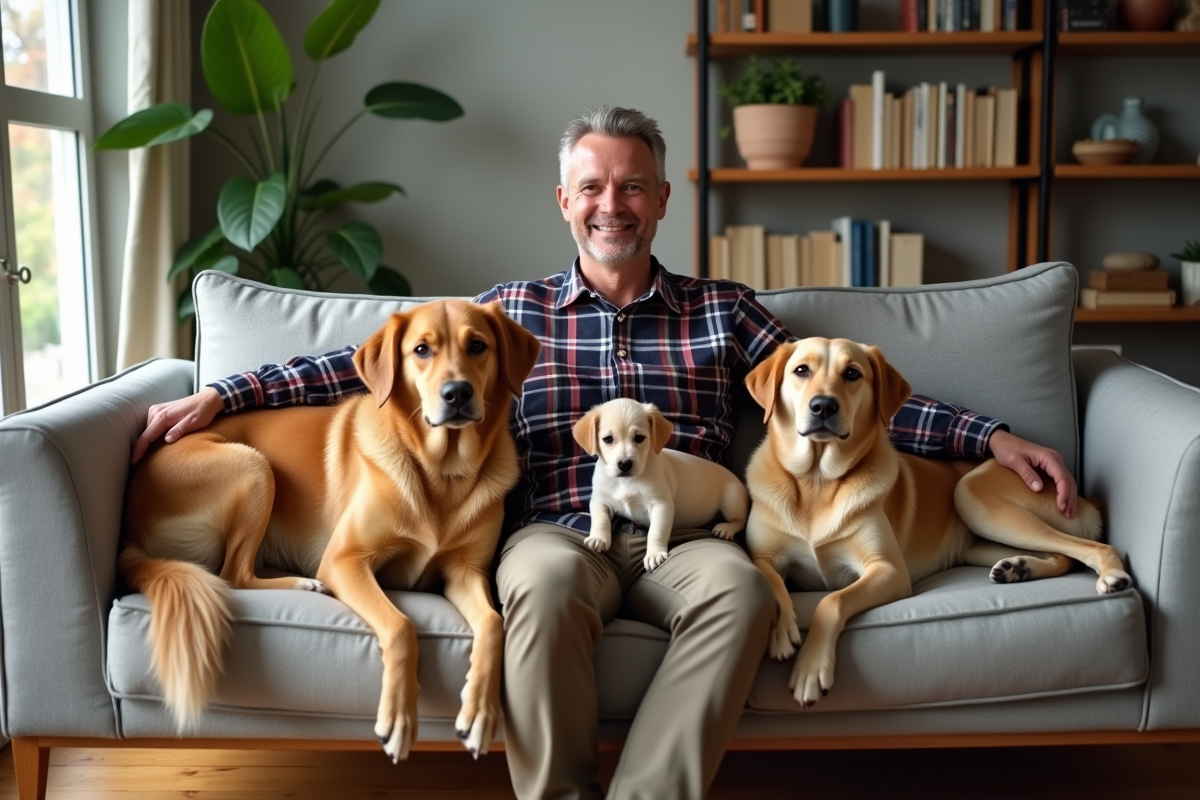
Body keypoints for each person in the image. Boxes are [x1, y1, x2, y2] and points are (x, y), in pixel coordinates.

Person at [132, 106, 1078, 800]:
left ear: (662, 199)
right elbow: (364, 366)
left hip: (693, 530)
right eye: (592, 186)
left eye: (631, 186)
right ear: (564, 201)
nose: (610, 204)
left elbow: (841, 408)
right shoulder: (513, 316)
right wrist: (227, 391)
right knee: (534, 589)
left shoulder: (724, 310)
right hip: (555, 527)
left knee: (747, 591)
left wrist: (988, 436)